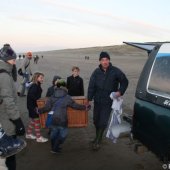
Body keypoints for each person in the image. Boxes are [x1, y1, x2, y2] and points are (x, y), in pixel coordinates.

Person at [87, 51, 128, 150]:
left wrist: (120, 92)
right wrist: (89, 99)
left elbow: (125, 81)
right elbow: (91, 86)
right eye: (103, 60)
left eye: (106, 59)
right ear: (100, 61)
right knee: (96, 121)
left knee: (103, 121)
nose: (105, 62)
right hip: (97, 100)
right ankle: (98, 137)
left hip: (108, 101)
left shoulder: (115, 71)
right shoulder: (96, 72)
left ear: (109, 60)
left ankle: (97, 140)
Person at [38, 79, 90, 153]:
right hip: (62, 120)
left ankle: (54, 148)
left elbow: (47, 108)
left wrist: (38, 110)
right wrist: (85, 107)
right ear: (65, 87)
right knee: (63, 135)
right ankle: (55, 148)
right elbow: (75, 106)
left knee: (53, 134)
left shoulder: (52, 97)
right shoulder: (67, 97)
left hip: (53, 120)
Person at [0, 44, 26, 170]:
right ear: (5, 59)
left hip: (4, 117)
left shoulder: (5, 72)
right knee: (9, 153)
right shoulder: (4, 75)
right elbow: (8, 101)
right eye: (13, 59)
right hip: (6, 119)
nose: (15, 61)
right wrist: (17, 121)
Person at [26, 72, 48, 143]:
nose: (42, 79)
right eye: (41, 78)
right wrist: (38, 102)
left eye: (42, 78)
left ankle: (28, 134)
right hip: (33, 106)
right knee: (37, 120)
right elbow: (32, 96)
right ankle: (38, 137)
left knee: (33, 120)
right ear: (36, 78)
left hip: (32, 106)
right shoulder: (35, 86)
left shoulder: (36, 85)